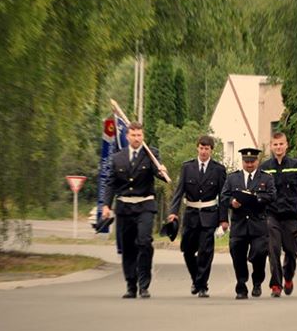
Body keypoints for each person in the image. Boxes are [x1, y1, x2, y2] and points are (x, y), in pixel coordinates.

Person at [102, 122, 168, 298]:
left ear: (143, 136)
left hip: (145, 205)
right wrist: (106, 205)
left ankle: (144, 285)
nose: (137, 138)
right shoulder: (117, 158)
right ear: (127, 136)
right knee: (128, 247)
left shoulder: (150, 155)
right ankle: (131, 285)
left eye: (139, 135)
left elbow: (158, 172)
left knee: (144, 241)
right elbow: (110, 183)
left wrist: (161, 171)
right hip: (124, 207)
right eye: (133, 135)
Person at [166, 135, 227, 298]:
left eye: (207, 149)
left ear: (211, 150)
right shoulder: (187, 167)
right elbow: (179, 192)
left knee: (205, 252)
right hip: (191, 214)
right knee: (187, 250)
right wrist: (173, 212)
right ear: (197, 148)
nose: (204, 151)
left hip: (209, 215)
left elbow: (223, 196)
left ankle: (202, 286)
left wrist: (223, 219)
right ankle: (196, 279)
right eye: (201, 148)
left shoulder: (219, 169)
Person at [219, 147, 276, 299]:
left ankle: (257, 281)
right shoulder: (233, 178)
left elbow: (272, 195)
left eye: (252, 161)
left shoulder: (266, 178)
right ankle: (241, 285)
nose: (249, 164)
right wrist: (232, 202)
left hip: (258, 224)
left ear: (257, 161)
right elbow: (223, 197)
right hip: (239, 224)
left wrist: (256, 198)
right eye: (246, 161)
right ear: (242, 161)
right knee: (237, 255)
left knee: (259, 253)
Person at [260, 132, 297, 297]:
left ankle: (288, 277)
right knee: (273, 250)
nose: (278, 147)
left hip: (291, 216)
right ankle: (276, 285)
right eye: (275, 144)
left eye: (281, 144)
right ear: (271, 146)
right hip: (271, 215)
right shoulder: (265, 167)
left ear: (287, 145)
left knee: (291, 251)